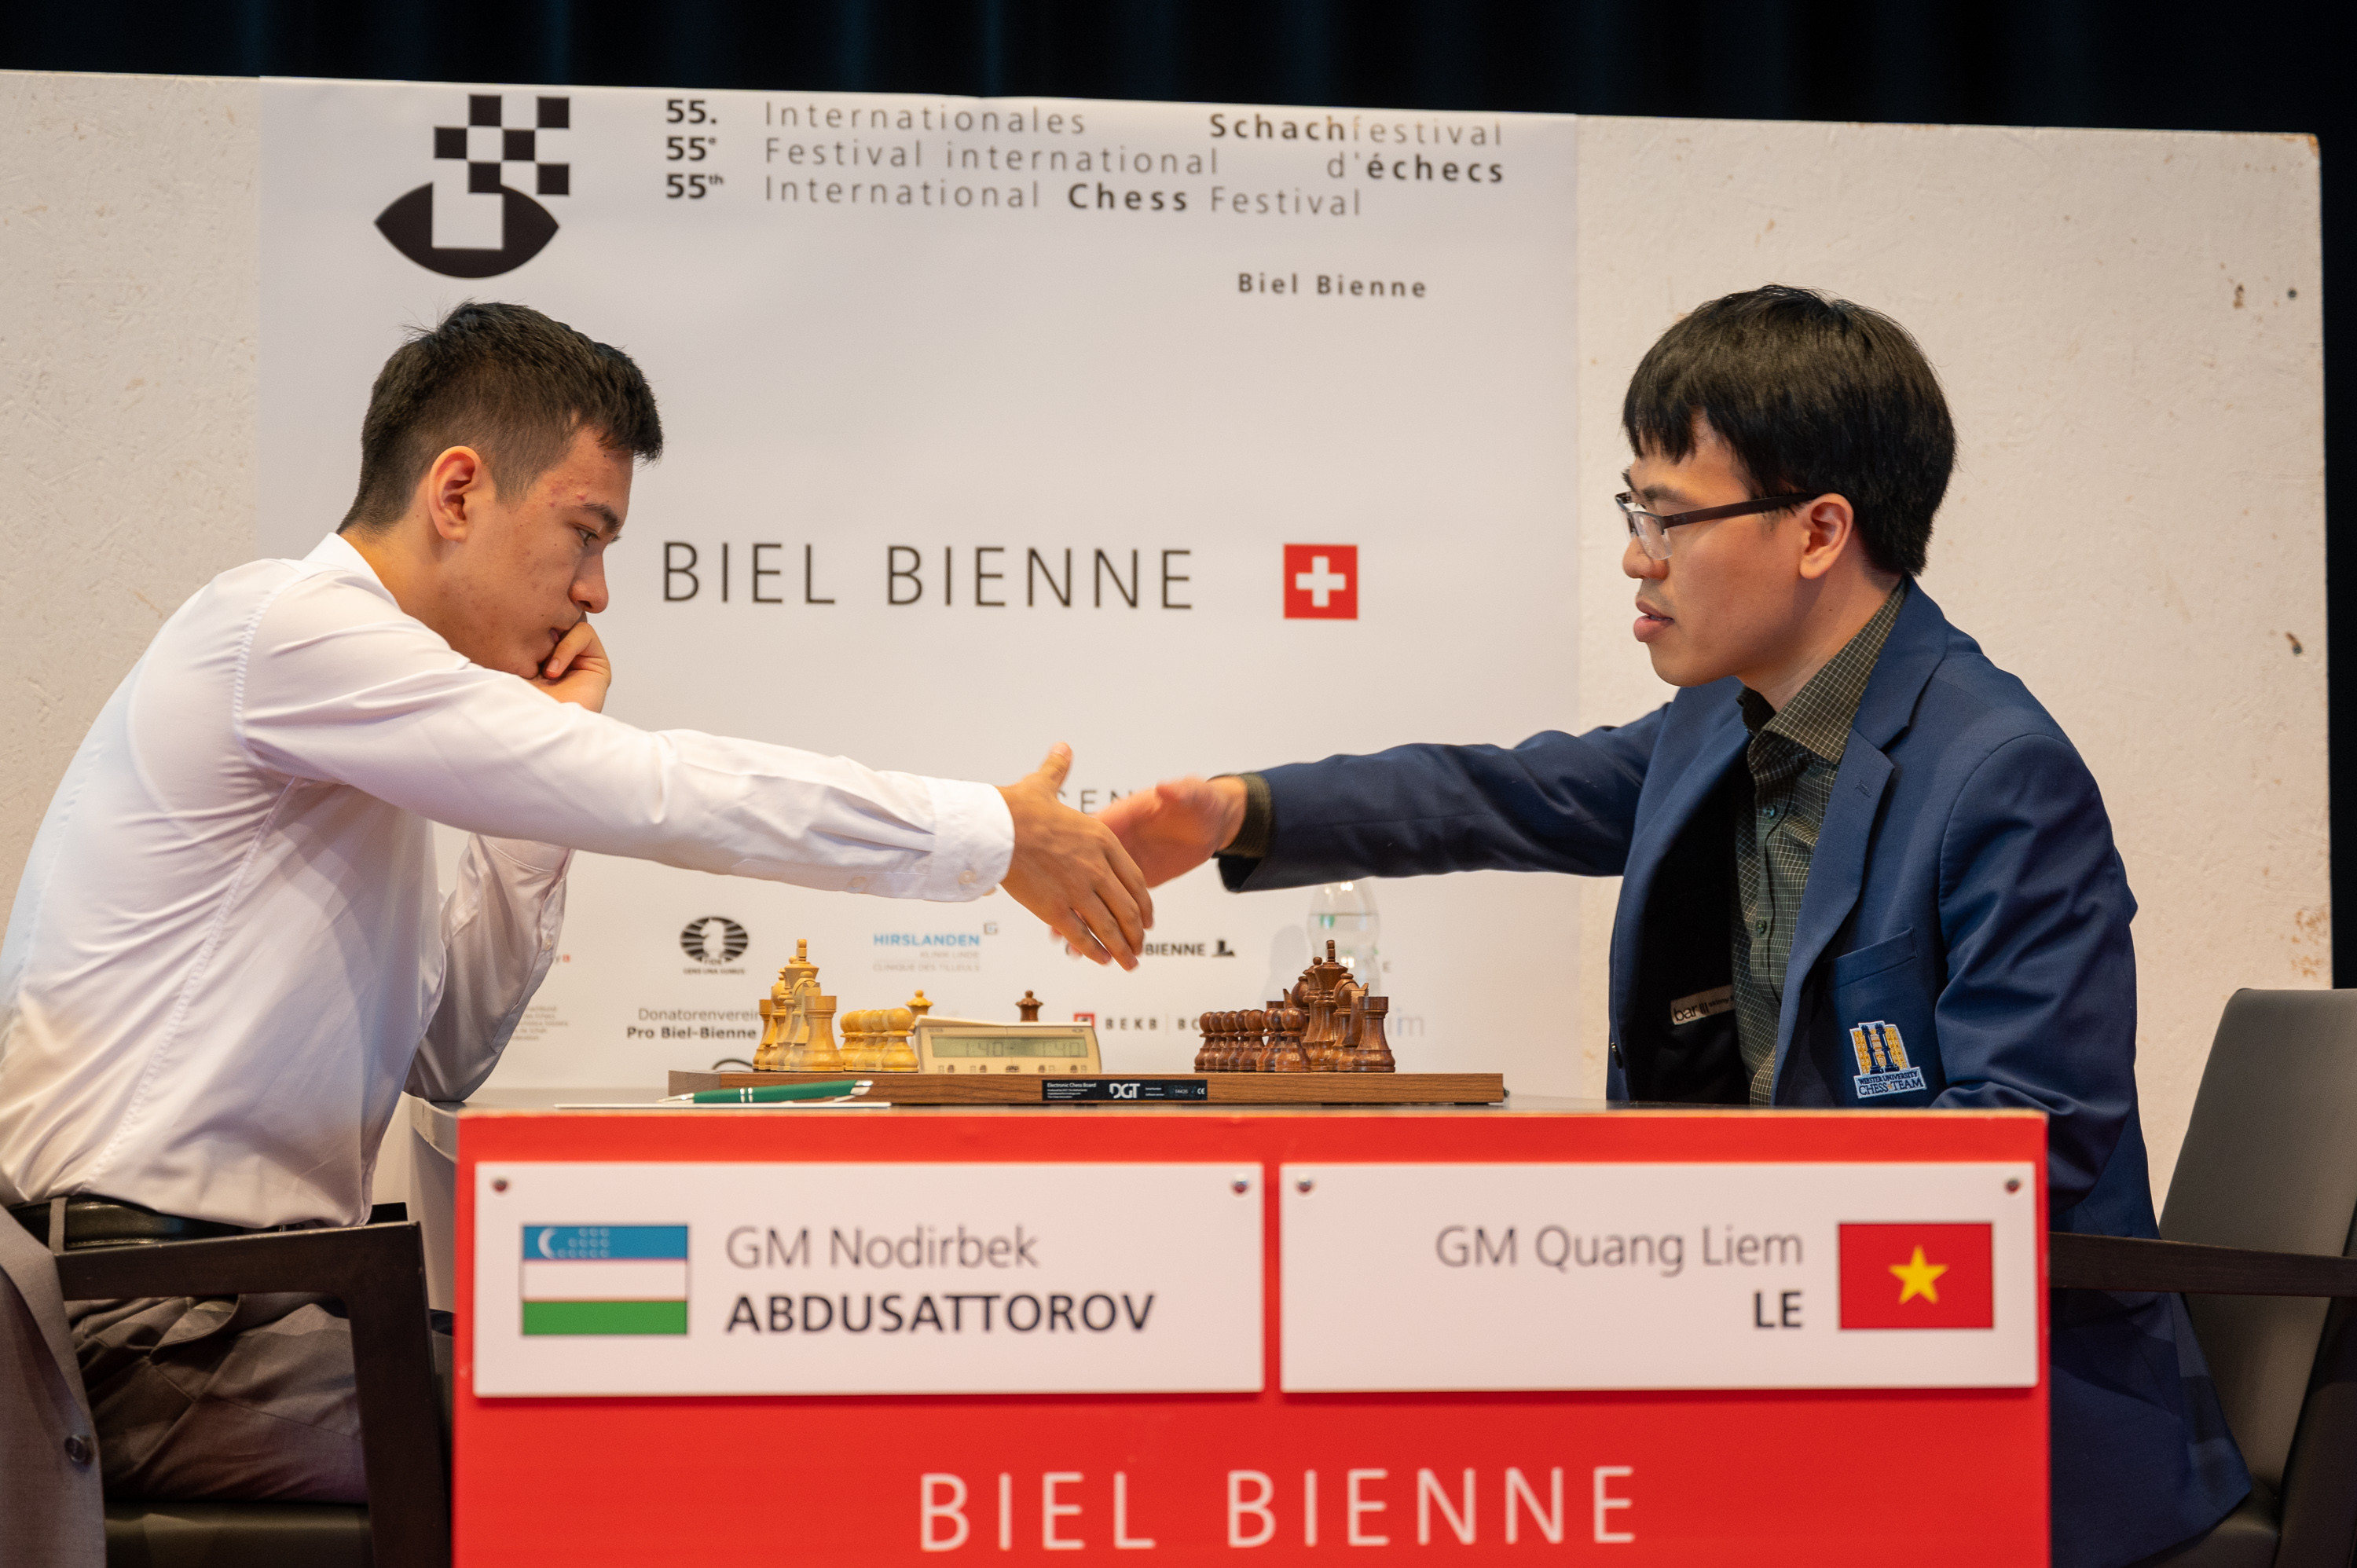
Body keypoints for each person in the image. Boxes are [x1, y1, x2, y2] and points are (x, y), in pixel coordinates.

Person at [1097, 285, 2248, 1567]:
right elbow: (1500, 795)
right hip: (1782, 1359)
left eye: (1669, 516)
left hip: (2000, 1412)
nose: (1638, 557)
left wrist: (1699, 1255)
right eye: (1631, 510)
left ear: (1818, 531)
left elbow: (2027, 1145)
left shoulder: (1998, 775)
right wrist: (1237, 812)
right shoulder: (1719, 720)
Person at [0, 301, 1152, 1508]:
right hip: (139, 1331)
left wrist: (543, 765)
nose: (596, 591)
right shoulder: (287, 630)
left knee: (668, 1390)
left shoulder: (350, 703)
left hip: (261, 1307)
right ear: (458, 493)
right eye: (585, 533)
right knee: (654, 1437)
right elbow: (658, 792)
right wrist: (989, 831)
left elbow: (449, 1054)